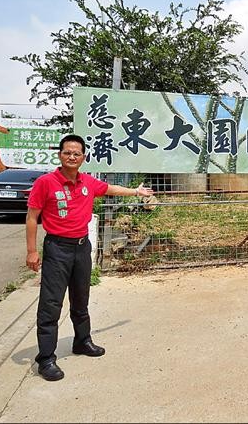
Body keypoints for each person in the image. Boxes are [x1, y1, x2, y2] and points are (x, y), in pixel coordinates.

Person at [26, 134, 154, 381]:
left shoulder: (87, 181)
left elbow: (110, 188)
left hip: (82, 247)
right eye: (67, 152)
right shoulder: (46, 182)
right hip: (57, 249)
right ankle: (46, 359)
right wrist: (32, 251)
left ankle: (82, 341)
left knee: (81, 298)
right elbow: (32, 218)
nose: (72, 156)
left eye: (76, 153)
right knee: (51, 304)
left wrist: (136, 191)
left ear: (83, 157)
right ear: (60, 155)